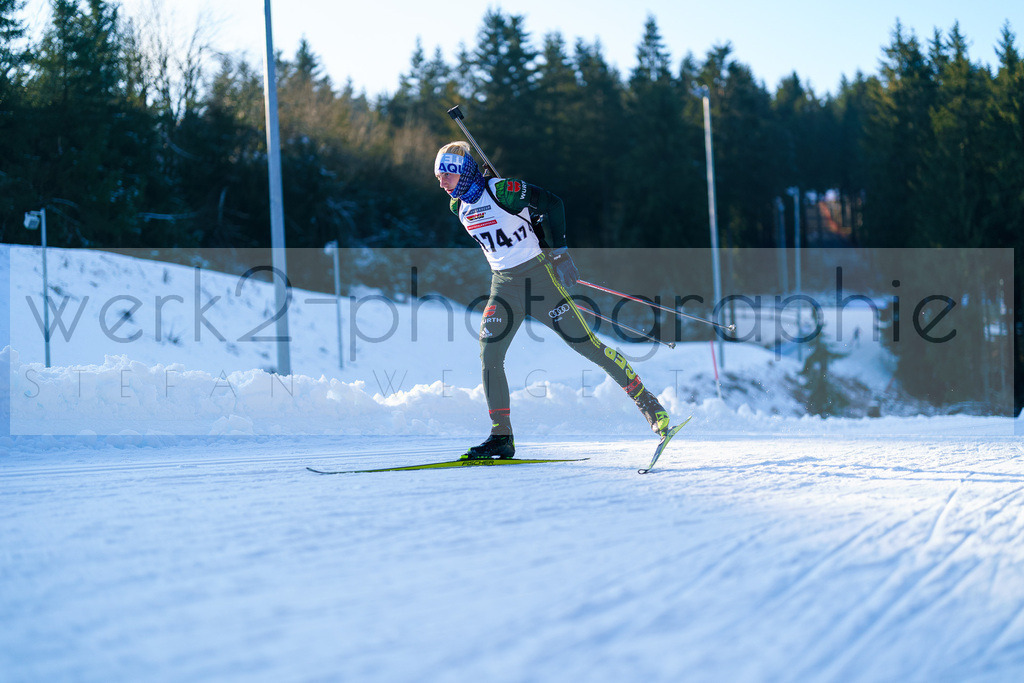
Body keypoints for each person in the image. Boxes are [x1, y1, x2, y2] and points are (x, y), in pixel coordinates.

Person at [434, 141, 670, 460]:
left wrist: (558, 251)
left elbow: (552, 204)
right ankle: (501, 437)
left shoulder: (503, 190)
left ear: (462, 172)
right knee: (489, 354)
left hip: (539, 279)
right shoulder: (458, 206)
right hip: (503, 285)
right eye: (438, 176)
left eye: (447, 174)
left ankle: (650, 406)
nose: (441, 182)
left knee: (587, 346)